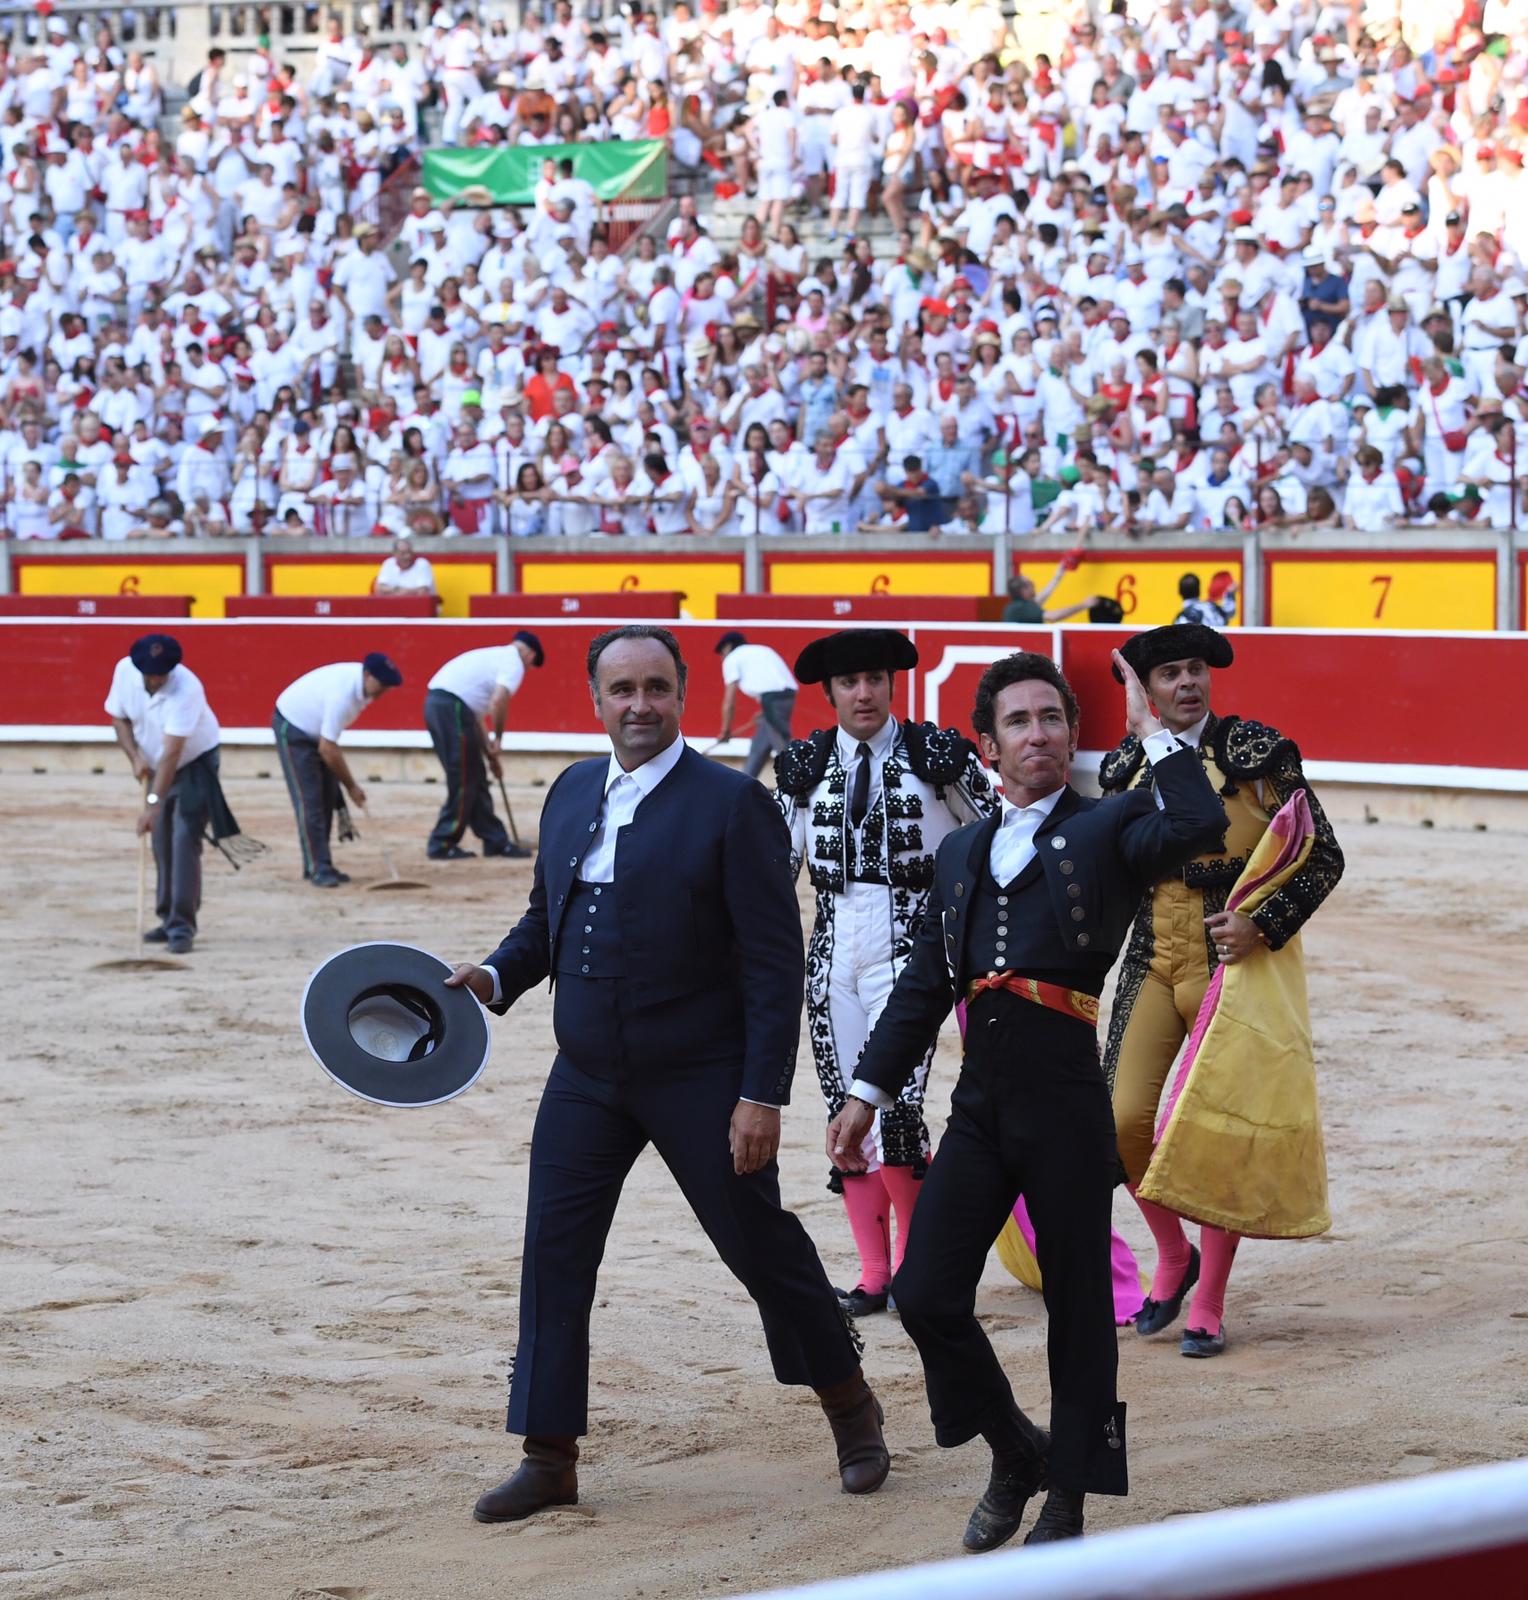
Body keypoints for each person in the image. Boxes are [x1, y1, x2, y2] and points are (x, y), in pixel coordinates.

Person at [444, 624, 888, 1524]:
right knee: (554, 1256)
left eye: (655, 688)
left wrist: (762, 1093)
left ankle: (849, 1403)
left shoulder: (730, 804)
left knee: (757, 1246)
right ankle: (548, 1453)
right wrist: (493, 976)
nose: (638, 705)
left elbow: (773, 961)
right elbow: (547, 921)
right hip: (588, 1075)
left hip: (701, 1075)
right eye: (622, 691)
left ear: (682, 694)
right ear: (595, 701)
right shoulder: (571, 791)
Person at [827, 649, 1224, 1551]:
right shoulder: (963, 849)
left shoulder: (1114, 822)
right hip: (981, 1105)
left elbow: (1199, 821)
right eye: (1019, 721)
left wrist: (1151, 730)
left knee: (1083, 1313)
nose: (1038, 734)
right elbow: (926, 984)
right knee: (927, 1294)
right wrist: (865, 1091)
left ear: (1073, 734)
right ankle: (1017, 1450)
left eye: (1053, 719)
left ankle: (1075, 1499)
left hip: (1066, 1102)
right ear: (988, 744)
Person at [1098, 625, 1344, 1357]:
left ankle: (1208, 1299)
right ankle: (1174, 1254)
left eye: (1196, 669)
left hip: (1228, 961)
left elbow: (1321, 855)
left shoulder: (1258, 753)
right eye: (1171, 673)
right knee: (1119, 1120)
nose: (1187, 683)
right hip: (1150, 955)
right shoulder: (1124, 769)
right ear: (1146, 690)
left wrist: (1264, 924)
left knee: (1217, 1127)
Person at [775, 629, 995, 1315]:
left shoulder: (938, 757)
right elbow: (776, 873)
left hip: (913, 956)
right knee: (848, 1117)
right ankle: (875, 1276)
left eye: (874, 678)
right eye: (849, 682)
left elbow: (995, 836)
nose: (863, 693)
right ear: (831, 692)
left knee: (896, 1112)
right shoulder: (804, 768)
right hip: (831, 956)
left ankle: (916, 1268)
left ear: (891, 684)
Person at [104, 633, 234, 955]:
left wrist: (151, 803)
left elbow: (173, 755)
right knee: (161, 841)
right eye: (149, 671)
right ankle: (167, 918)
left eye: (161, 672)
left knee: (183, 839)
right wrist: (134, 756)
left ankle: (181, 927)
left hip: (195, 763)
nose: (154, 677)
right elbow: (118, 718)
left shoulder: (187, 689)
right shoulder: (124, 672)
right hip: (153, 761)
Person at [272, 653, 405, 889]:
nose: (384, 691)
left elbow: (327, 745)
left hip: (315, 733)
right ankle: (317, 867)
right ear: (367, 675)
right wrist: (352, 786)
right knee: (310, 801)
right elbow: (328, 748)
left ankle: (319, 864)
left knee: (323, 800)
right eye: (382, 684)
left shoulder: (362, 689)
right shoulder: (343, 694)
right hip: (293, 727)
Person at [424, 633, 544, 861]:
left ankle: (495, 840)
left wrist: (490, 754)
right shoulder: (513, 662)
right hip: (451, 708)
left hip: (444, 707)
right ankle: (441, 842)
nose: (528, 669)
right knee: (465, 778)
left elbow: (477, 718)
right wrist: (498, 739)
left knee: (474, 776)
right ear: (530, 654)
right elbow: (498, 701)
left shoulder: (495, 659)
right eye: (531, 664)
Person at [714, 631, 797, 779]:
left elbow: (729, 702)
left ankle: (800, 788)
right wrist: (766, 711)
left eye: (722, 651)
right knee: (758, 748)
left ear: (728, 646)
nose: (722, 657)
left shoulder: (732, 658)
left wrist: (725, 730)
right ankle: (746, 785)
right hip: (784, 698)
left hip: (772, 701)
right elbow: (775, 683)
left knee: (784, 750)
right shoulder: (762, 650)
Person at [1002, 558, 1102, 625]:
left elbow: (1041, 598)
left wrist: (1058, 576)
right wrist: (1084, 605)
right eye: (1030, 584)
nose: (1034, 586)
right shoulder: (1022, 607)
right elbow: (1053, 616)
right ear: (1023, 590)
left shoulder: (1017, 606)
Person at [1174, 572, 1238, 628]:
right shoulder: (1212, 607)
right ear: (1199, 590)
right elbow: (1229, 611)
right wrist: (1230, 594)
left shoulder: (1184, 617)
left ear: (1180, 592)